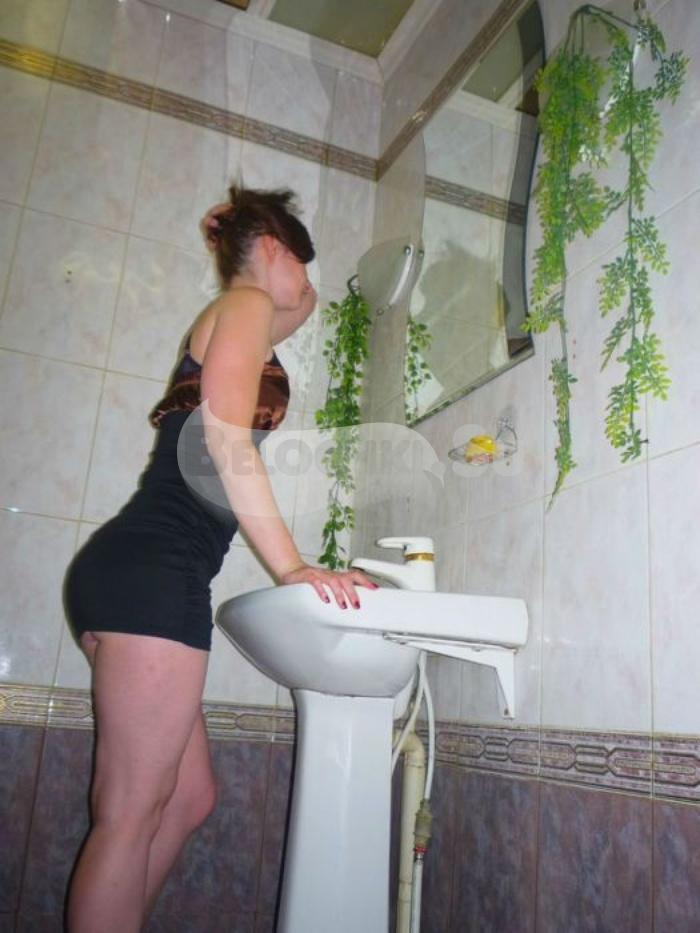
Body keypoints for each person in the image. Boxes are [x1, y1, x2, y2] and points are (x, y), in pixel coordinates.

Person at [62, 184, 377, 933]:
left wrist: (244, 232)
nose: (306, 282)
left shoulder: (249, 309)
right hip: (155, 572)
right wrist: (293, 567)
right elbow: (228, 441)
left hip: (142, 572)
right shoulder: (244, 304)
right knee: (130, 812)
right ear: (273, 251)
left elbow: (305, 303)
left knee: (188, 797)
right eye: (300, 260)